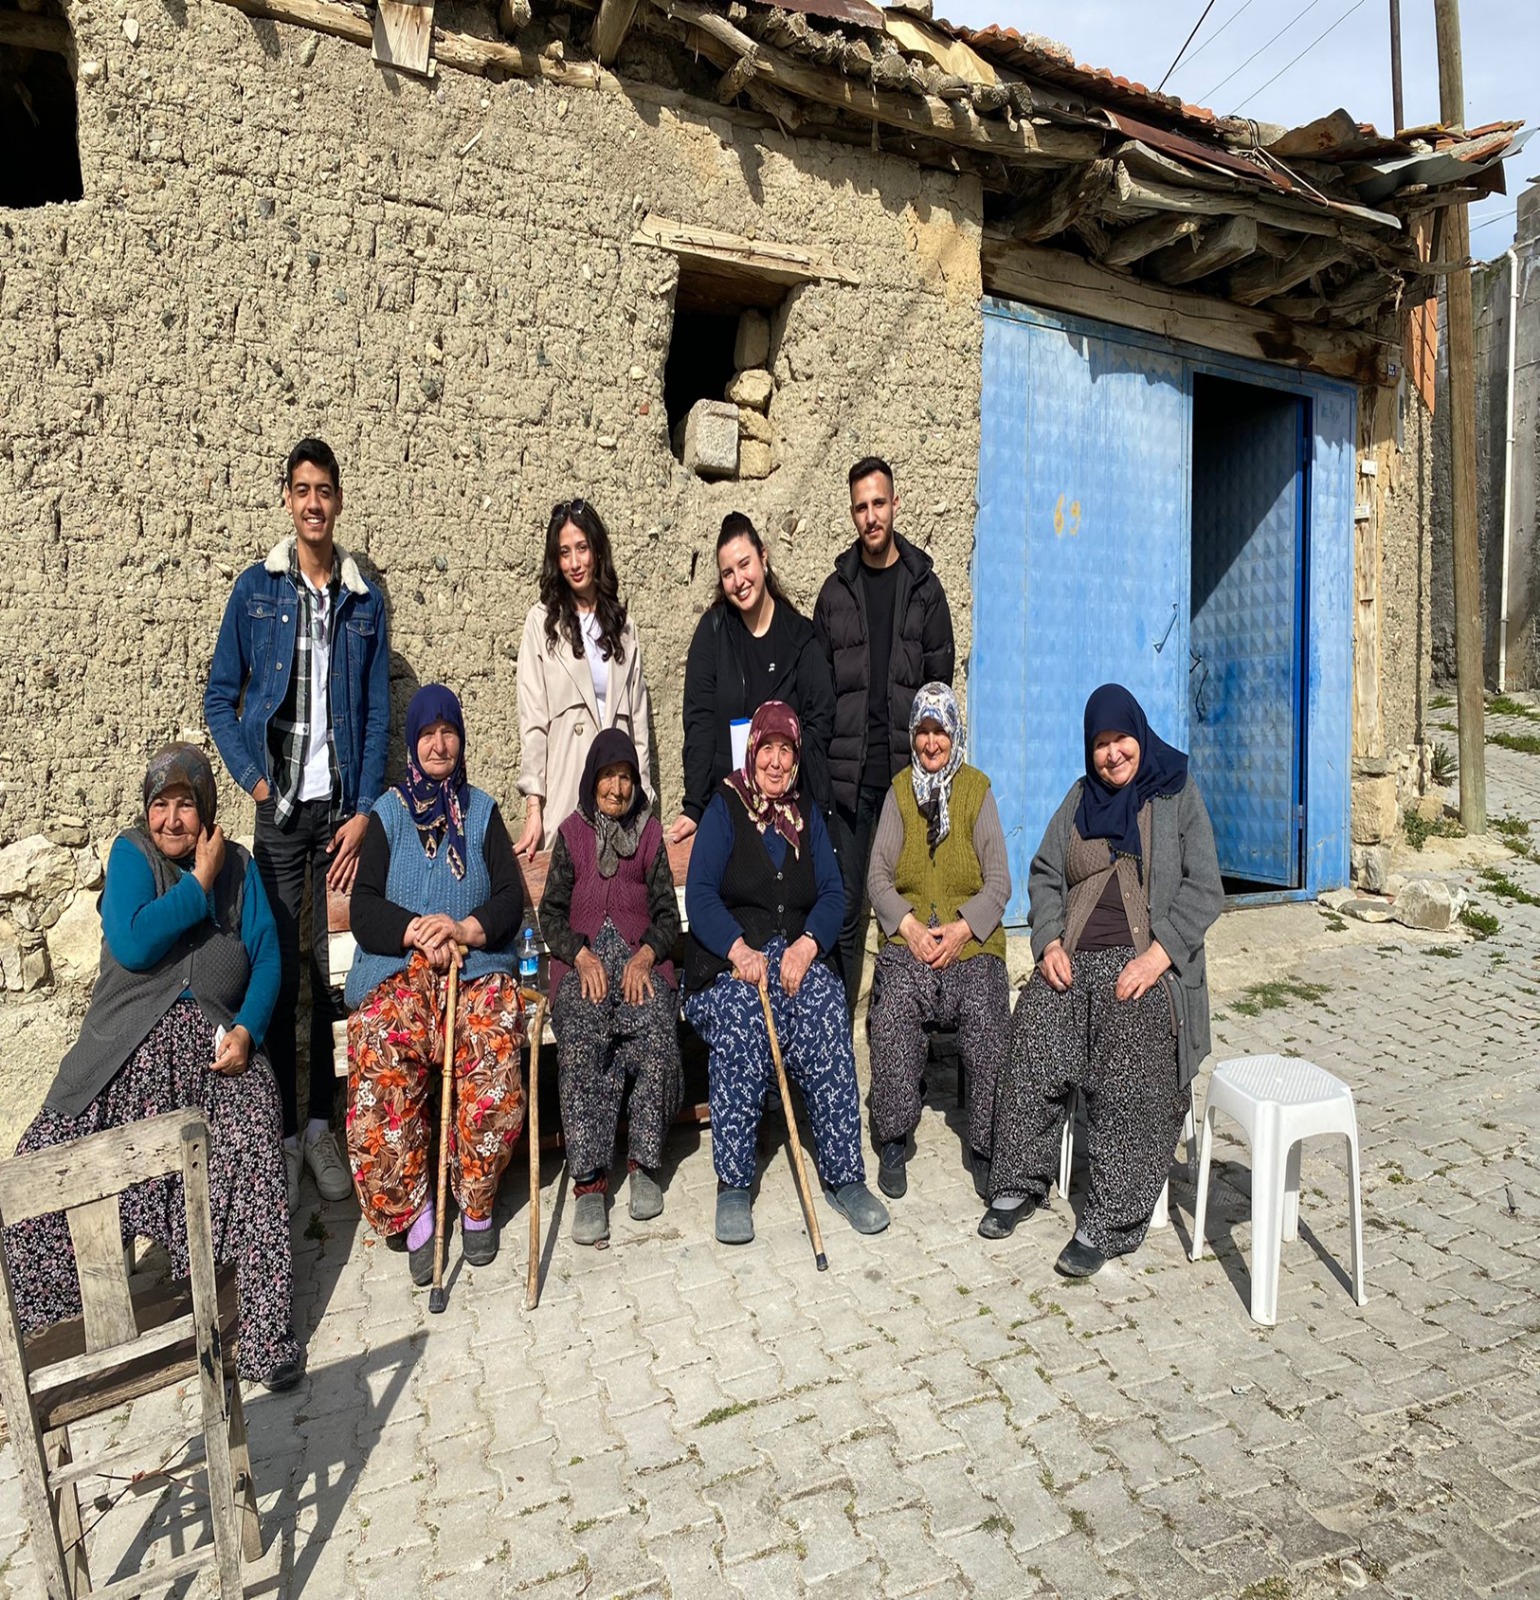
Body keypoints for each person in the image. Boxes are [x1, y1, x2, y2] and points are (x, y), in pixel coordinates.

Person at [2, 746, 303, 1391]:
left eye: (185, 805)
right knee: (36, 1177)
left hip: (214, 1058)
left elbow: (268, 959)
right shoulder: (132, 855)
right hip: (124, 1057)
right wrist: (198, 884)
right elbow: (134, 942)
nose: (171, 819)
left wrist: (247, 1030)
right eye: (160, 804)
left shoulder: (241, 869)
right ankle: (58, 1355)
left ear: (206, 808)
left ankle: (260, 1337)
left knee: (255, 1119)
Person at [205, 437, 391, 1214]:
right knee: (280, 970)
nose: (314, 503)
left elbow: (377, 714)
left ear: (338, 500)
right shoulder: (257, 590)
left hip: (339, 818)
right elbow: (220, 698)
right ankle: (284, 1133)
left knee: (330, 972)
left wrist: (365, 810)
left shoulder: (363, 599)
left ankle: (321, 1127)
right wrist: (255, 782)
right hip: (280, 815)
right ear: (287, 498)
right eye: (302, 489)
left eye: (325, 490)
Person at [983, 685, 1223, 1278]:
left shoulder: (1176, 793)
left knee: (1130, 1051)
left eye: (1121, 740)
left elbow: (1205, 886)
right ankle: (1019, 1180)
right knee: (1033, 1028)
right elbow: (1045, 874)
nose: (1112, 754)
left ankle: (1110, 1219)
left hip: (1147, 965)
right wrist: (1048, 943)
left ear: (1139, 734)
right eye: (1101, 744)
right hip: (1075, 959)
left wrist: (1158, 957)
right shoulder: (1078, 798)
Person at [682, 701, 888, 1245]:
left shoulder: (806, 813)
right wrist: (738, 949)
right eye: (767, 748)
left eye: (786, 750)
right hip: (729, 966)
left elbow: (834, 893)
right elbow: (700, 895)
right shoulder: (726, 807)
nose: (775, 762)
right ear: (752, 751)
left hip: (792, 958)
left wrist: (808, 944)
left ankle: (845, 1176)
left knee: (826, 1012)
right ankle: (733, 1183)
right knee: (742, 1020)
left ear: (796, 758)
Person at [344, 686, 527, 1284]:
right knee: (381, 1052)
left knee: (494, 1053)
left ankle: (475, 1200)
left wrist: (465, 929)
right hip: (403, 971)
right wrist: (416, 932)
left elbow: (510, 897)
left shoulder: (483, 811)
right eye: (428, 734)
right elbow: (365, 907)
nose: (440, 744)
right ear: (413, 744)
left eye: (449, 733)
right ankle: (415, 1210)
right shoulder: (388, 814)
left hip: (474, 967)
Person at [815, 457, 954, 1012]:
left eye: (879, 503)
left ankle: (900, 1033)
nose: (871, 516)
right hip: (850, 788)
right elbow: (821, 694)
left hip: (907, 784)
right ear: (852, 514)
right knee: (848, 911)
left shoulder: (925, 589)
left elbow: (939, 690)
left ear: (895, 504)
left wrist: (933, 775)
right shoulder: (834, 593)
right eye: (861, 507)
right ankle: (839, 1033)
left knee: (906, 912)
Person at [865, 684, 1011, 1201]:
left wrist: (964, 928)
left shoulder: (977, 790)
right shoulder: (899, 792)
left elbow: (999, 882)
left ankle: (987, 1144)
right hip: (911, 943)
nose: (931, 742)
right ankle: (893, 1135)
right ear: (913, 736)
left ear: (955, 734)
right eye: (923, 732)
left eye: (940, 731)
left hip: (970, 943)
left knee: (987, 1015)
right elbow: (878, 877)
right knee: (892, 1011)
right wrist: (907, 927)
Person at [538, 730, 682, 1246]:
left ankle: (643, 1163)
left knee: (657, 1031)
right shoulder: (571, 833)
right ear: (592, 780)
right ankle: (590, 1182)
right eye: (608, 776)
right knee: (581, 1039)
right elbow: (550, 913)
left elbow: (667, 915)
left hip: (639, 964)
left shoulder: (650, 833)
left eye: (625, 777)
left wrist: (646, 955)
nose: (617, 788)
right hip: (585, 966)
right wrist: (578, 954)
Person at [670, 514, 835, 846]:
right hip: (730, 811)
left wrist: (780, 774)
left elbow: (820, 721)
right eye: (728, 573)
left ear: (763, 557)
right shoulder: (713, 633)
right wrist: (695, 805)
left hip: (789, 813)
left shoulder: (800, 638)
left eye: (744, 564)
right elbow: (699, 722)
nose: (738, 580)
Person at [516, 499, 655, 859]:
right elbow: (533, 723)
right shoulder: (541, 623)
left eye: (582, 548)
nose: (575, 563)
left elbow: (638, 726)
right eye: (564, 553)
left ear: (597, 550)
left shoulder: (624, 627)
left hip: (619, 793)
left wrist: (645, 801)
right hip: (567, 785)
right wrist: (534, 808)